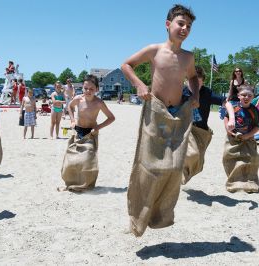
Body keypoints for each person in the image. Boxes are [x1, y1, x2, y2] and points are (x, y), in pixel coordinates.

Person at [121, 4, 199, 237]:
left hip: (178, 115)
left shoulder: (188, 57)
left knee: (174, 167)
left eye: (189, 26)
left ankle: (160, 216)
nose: (184, 28)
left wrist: (194, 94)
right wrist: (139, 84)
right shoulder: (155, 50)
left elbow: (193, 78)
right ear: (168, 25)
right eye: (180, 23)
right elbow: (126, 65)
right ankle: (136, 218)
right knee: (148, 167)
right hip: (155, 112)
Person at [60, 74, 115, 192]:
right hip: (77, 130)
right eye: (86, 88)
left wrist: (98, 127)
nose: (88, 91)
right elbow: (69, 107)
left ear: (97, 89)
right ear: (82, 88)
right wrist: (72, 120)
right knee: (71, 158)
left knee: (88, 159)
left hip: (90, 133)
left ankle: (86, 184)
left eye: (91, 89)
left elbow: (111, 118)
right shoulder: (78, 99)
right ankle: (71, 183)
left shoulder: (99, 103)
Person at [182, 66, 235, 184]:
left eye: (198, 83)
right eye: (192, 83)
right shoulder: (181, 92)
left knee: (198, 163)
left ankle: (185, 173)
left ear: (203, 82)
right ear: (186, 80)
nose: (195, 86)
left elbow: (226, 103)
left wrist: (231, 118)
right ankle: (180, 174)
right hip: (185, 129)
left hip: (202, 132)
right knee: (192, 154)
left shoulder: (207, 93)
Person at [223, 85, 259, 193]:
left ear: (253, 97)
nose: (246, 97)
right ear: (239, 96)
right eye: (243, 95)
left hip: (248, 139)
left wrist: (247, 136)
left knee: (252, 158)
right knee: (229, 158)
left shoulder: (254, 110)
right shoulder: (234, 107)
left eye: (249, 95)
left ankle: (249, 182)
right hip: (232, 138)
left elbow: (258, 125)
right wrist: (228, 130)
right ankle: (234, 181)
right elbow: (226, 117)